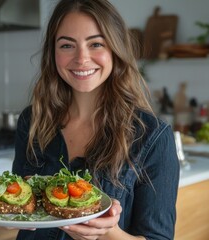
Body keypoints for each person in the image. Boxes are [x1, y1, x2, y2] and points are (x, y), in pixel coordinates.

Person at [12, 0, 180, 239]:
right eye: (67, 45)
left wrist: (107, 233)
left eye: (96, 44)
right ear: (53, 53)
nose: (81, 58)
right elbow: (20, 202)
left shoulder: (153, 136)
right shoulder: (32, 119)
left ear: (115, 48)